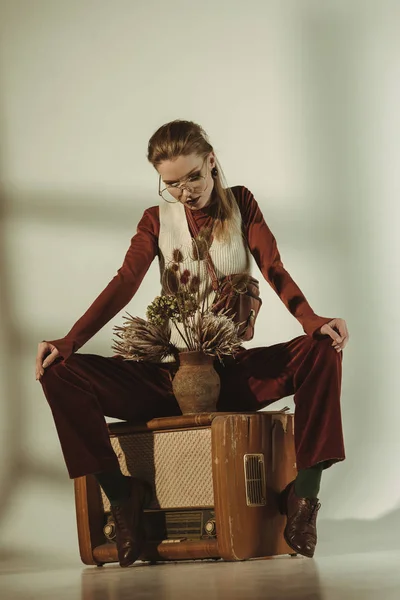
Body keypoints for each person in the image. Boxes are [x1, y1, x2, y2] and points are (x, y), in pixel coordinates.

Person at [36, 120, 349, 567]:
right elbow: (125, 282)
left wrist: (311, 320)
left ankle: (304, 495)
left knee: (322, 351)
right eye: (172, 183)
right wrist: (70, 340)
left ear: (212, 162)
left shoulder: (241, 203)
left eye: (193, 177)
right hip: (171, 377)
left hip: (234, 375)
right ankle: (123, 498)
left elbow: (273, 267)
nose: (185, 190)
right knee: (59, 373)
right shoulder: (155, 220)